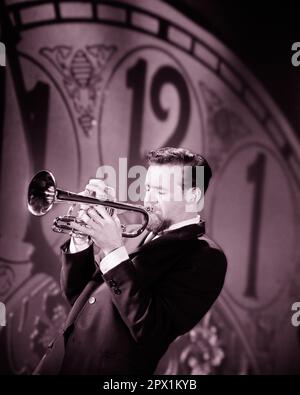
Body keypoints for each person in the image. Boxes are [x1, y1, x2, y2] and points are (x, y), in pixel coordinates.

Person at [33, 147, 227, 375]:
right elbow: (80, 295)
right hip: (55, 364)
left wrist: (113, 249)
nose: (148, 200)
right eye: (147, 188)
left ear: (192, 196)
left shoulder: (205, 256)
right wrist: (81, 234)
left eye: (160, 192)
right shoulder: (134, 231)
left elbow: (152, 329)